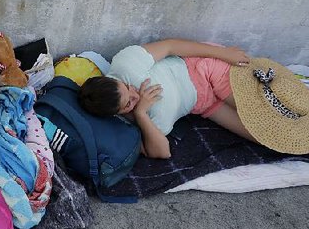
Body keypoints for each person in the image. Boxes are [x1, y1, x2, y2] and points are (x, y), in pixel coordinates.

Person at [78, 39, 255, 159]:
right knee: (261, 136)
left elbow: (171, 45)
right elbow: (163, 152)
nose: (135, 94)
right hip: (205, 105)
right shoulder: (124, 125)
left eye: (126, 87)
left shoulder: (126, 64)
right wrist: (141, 113)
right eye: (128, 103)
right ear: (116, 113)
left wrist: (223, 53)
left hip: (202, 69)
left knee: (260, 114)